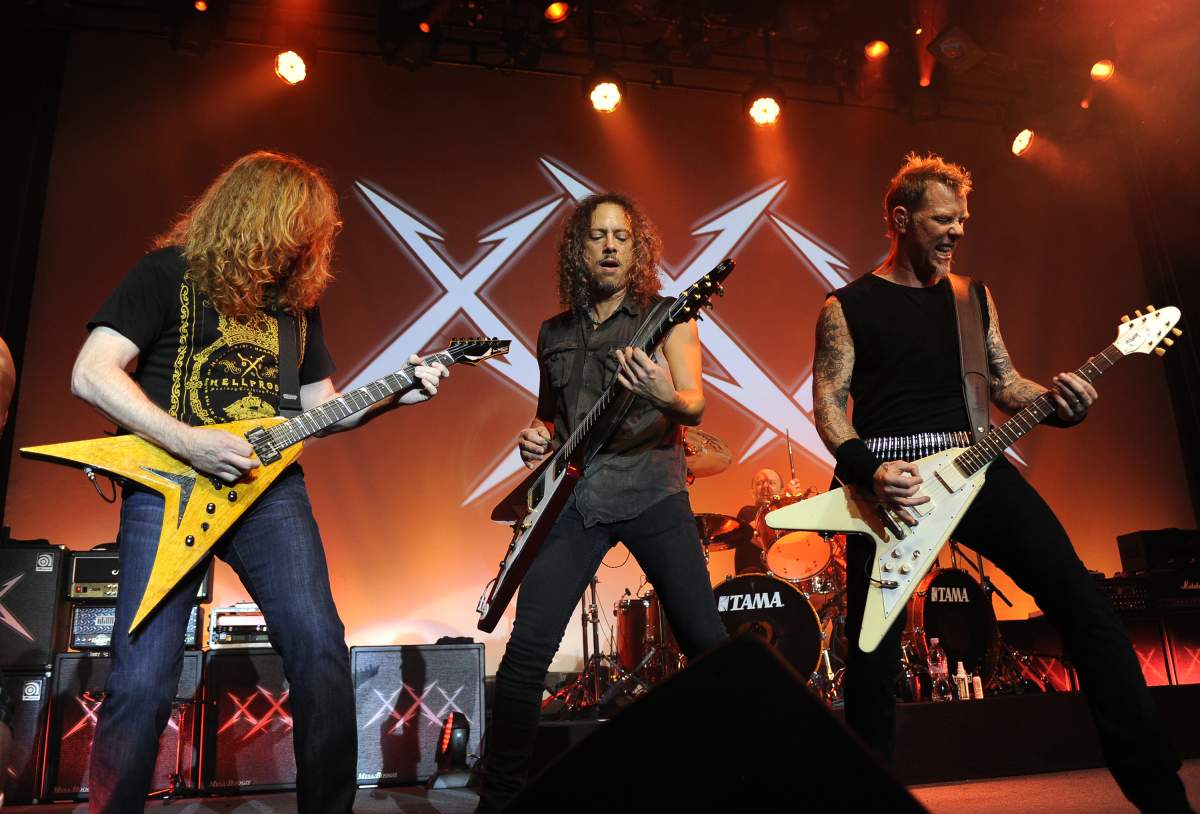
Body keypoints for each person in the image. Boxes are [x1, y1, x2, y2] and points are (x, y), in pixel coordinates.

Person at [811, 153, 1192, 813]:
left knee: (1086, 607)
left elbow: (1007, 384)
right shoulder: (845, 307)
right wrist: (869, 471)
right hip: (889, 489)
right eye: (942, 219)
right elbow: (827, 404)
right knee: (871, 657)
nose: (957, 231)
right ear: (901, 219)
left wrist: (1064, 402)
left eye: (962, 220)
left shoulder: (972, 297)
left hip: (979, 467)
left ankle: (1163, 798)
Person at [70, 151, 449, 814]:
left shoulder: (295, 307)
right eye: (296, 226)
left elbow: (321, 410)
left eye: (313, 233)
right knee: (143, 677)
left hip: (269, 494)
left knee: (319, 650)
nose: (304, 244)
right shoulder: (167, 274)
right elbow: (90, 372)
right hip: (169, 489)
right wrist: (188, 440)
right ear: (256, 215)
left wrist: (400, 394)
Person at [476, 193, 728, 811]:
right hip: (575, 499)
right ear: (578, 250)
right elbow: (551, 416)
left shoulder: (669, 315)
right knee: (526, 653)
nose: (611, 245)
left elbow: (694, 403)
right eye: (598, 236)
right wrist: (536, 437)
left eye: (622, 236)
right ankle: (499, 798)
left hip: (652, 489)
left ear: (637, 250)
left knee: (706, 641)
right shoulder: (554, 332)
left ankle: (750, 774)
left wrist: (665, 393)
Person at [733, 468, 803, 575]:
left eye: (771, 483)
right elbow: (762, 538)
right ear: (752, 492)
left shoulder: (789, 515)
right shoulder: (747, 511)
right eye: (759, 483)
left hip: (785, 577)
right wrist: (784, 499)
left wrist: (790, 503)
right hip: (753, 579)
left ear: (781, 490)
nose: (765, 486)